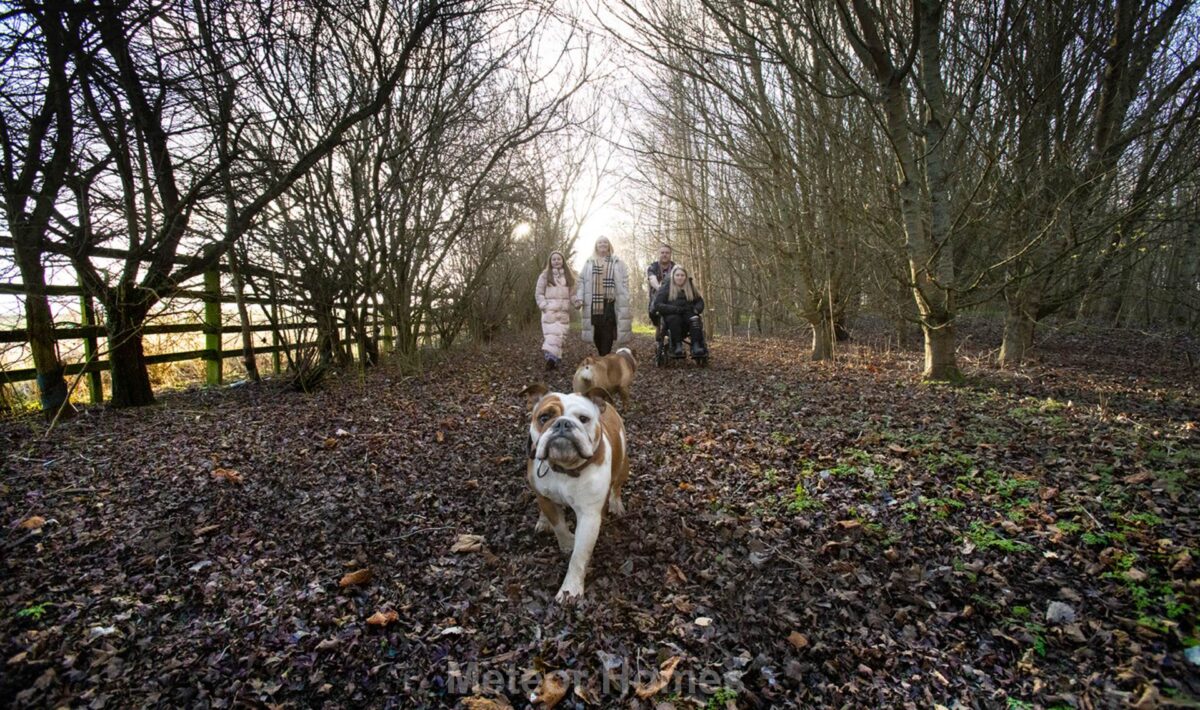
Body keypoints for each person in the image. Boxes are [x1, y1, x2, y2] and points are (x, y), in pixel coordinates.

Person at [573, 237, 631, 356]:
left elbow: (625, 279)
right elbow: (581, 281)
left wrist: (625, 294)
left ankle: (605, 356)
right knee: (597, 332)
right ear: (596, 246)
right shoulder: (589, 262)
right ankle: (602, 354)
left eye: (605, 242)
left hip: (610, 301)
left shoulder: (617, 261)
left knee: (607, 329)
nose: (603, 244)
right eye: (600, 242)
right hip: (594, 302)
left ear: (609, 245)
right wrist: (579, 297)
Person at [653, 265, 708, 359]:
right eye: (677, 275)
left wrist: (696, 309)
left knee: (695, 319)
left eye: (682, 275)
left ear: (686, 277)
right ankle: (677, 346)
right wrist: (674, 309)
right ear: (673, 276)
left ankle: (696, 345)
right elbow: (658, 304)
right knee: (674, 319)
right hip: (672, 315)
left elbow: (700, 301)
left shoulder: (690, 287)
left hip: (688, 314)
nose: (680, 277)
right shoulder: (666, 288)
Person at [536, 250, 574, 369]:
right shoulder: (544, 276)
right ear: (550, 262)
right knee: (552, 336)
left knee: (560, 336)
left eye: (559, 259)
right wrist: (543, 305)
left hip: (563, 313)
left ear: (563, 261)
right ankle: (551, 359)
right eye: (554, 259)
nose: (556, 261)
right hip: (549, 312)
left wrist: (577, 302)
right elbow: (539, 293)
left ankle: (554, 357)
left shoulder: (568, 277)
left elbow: (573, 294)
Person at [645, 244, 675, 331]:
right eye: (662, 252)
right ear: (659, 254)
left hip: (672, 295)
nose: (665, 255)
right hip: (657, 295)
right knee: (652, 313)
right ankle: (658, 326)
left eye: (667, 253)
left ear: (670, 254)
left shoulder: (675, 267)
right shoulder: (653, 266)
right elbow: (652, 278)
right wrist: (659, 288)